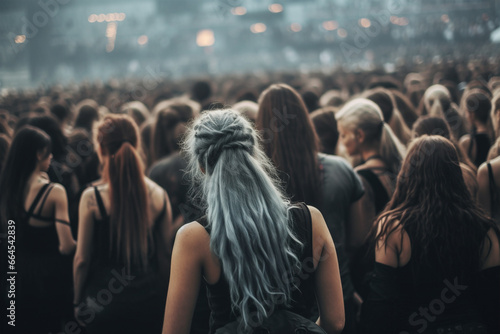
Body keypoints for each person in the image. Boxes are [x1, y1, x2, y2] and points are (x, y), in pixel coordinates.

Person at [162, 109, 345, 334]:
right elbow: (335, 322)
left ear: (202, 166)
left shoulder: (193, 238)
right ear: (254, 154)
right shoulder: (312, 219)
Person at [361, 136, 500, 334]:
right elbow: (493, 300)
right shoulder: (485, 229)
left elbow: (381, 301)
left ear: (408, 173)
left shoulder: (394, 227)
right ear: (455, 173)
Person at [256, 84, 364, 334]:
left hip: (282, 309)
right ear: (306, 122)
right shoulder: (341, 170)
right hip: (340, 298)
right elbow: (358, 239)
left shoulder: (258, 184)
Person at [73, 114, 173, 334]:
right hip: (149, 301)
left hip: (101, 306)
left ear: (101, 149)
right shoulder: (159, 195)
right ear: (136, 144)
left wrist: (77, 302)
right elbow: (165, 254)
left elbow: (82, 260)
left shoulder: (91, 198)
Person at [0, 126, 76, 334]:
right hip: (49, 279)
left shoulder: (8, 185)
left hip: (16, 276)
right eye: (48, 151)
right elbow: (66, 246)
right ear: (38, 153)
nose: (51, 156)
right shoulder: (53, 192)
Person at [336, 98, 406, 300]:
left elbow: (360, 239)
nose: (341, 141)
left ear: (359, 135)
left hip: (376, 272)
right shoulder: (400, 167)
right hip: (403, 262)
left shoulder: (360, 177)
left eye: (343, 134)